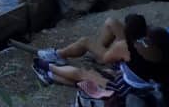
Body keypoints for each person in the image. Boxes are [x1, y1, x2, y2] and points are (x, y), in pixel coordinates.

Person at [33, 23, 169, 101]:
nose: (142, 41)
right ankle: (50, 76)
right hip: (133, 83)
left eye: (146, 40)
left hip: (123, 89)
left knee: (83, 74)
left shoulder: (142, 56)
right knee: (87, 78)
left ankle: (47, 66)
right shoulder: (161, 59)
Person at [36, 14, 148, 68]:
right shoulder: (151, 40)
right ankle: (98, 53)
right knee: (111, 22)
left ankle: (58, 55)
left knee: (85, 41)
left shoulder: (128, 47)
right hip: (134, 51)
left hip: (126, 63)